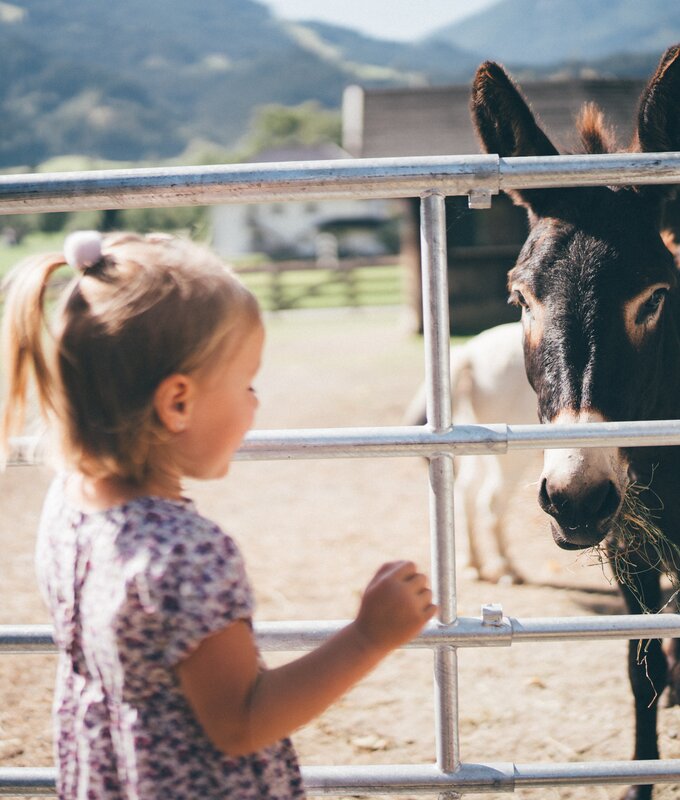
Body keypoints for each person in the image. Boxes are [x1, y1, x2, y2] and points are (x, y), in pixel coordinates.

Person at [0, 230, 436, 800]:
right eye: (247, 383)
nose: (256, 402)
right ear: (177, 402)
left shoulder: (68, 502)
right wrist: (367, 638)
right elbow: (240, 722)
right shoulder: (184, 552)